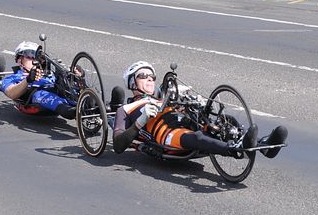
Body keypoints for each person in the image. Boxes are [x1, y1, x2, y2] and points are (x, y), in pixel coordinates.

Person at [113, 61, 288, 158]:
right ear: (131, 82)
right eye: (143, 76)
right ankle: (234, 148)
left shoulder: (163, 96)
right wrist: (140, 121)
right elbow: (118, 145)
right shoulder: (126, 109)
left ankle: (264, 146)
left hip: (186, 121)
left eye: (152, 76)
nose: (150, 79)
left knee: (221, 123)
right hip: (166, 134)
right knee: (196, 137)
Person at [1, 41, 78, 119]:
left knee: (72, 84)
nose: (35, 60)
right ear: (19, 60)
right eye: (30, 56)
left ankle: (86, 103)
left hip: (60, 90)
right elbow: (11, 93)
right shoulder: (14, 77)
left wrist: (74, 76)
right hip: (38, 96)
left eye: (37, 57)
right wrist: (28, 80)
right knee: (40, 94)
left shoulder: (49, 73)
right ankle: (71, 111)